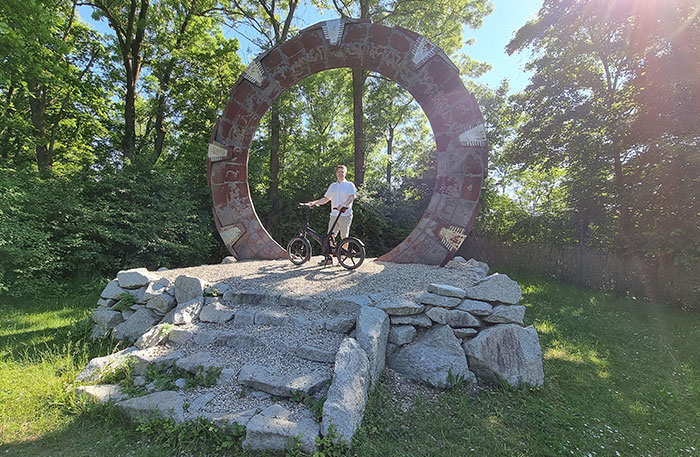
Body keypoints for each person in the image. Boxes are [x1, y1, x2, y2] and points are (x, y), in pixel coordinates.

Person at [307, 165, 357, 265]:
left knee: (344, 237)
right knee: (329, 237)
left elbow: (352, 197)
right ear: (336, 173)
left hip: (345, 215)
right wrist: (314, 202)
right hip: (334, 215)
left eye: (342, 172)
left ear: (345, 173)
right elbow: (326, 199)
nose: (340, 173)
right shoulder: (333, 186)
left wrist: (344, 205)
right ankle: (329, 259)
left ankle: (342, 259)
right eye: (338, 171)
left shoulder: (349, 185)